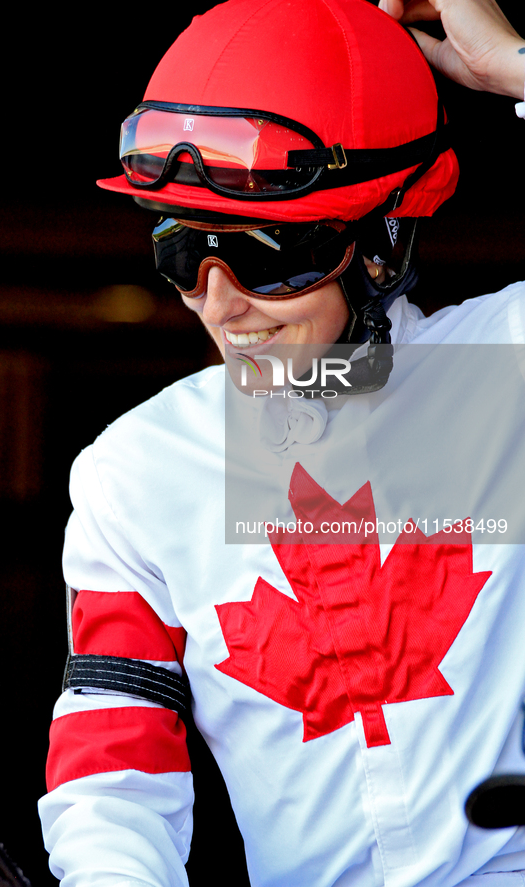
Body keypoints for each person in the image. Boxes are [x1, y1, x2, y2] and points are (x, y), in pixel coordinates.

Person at [38, 1, 525, 885]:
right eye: (184, 252)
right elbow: (113, 773)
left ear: (380, 243)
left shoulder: (506, 366)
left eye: (262, 256)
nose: (219, 304)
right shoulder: (135, 471)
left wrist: (514, 68)